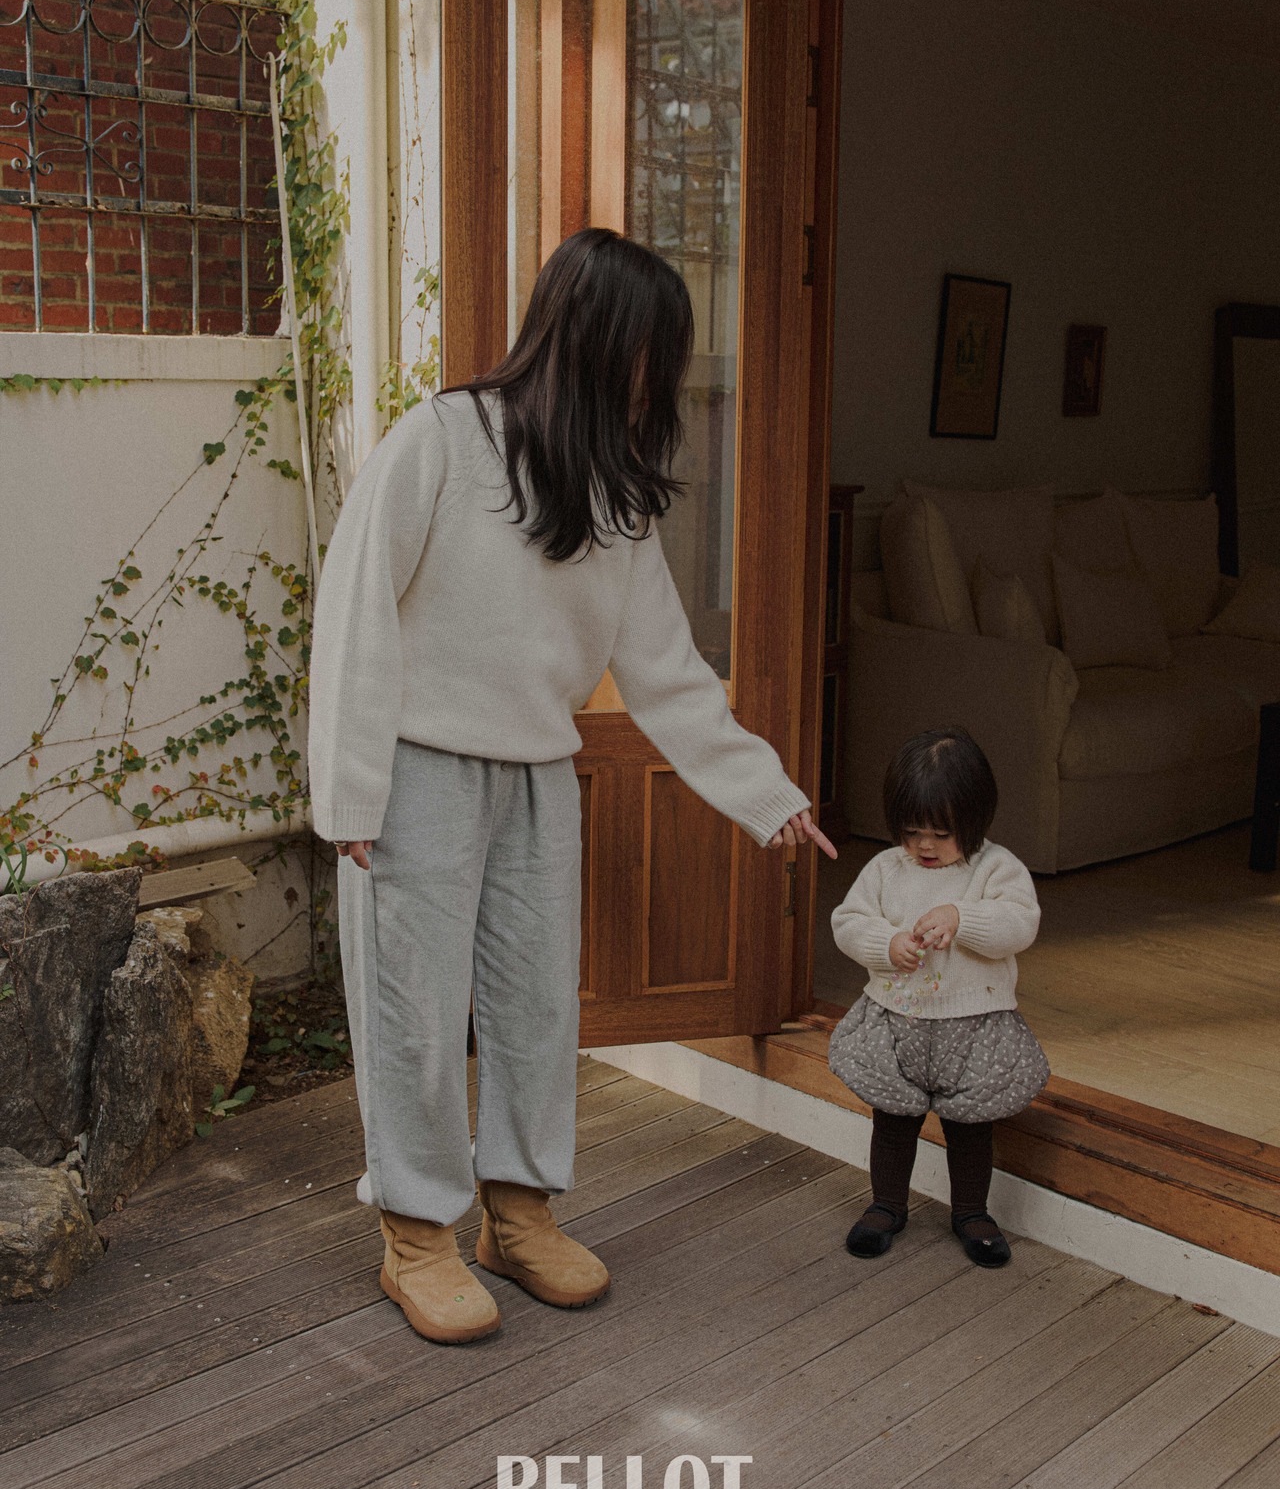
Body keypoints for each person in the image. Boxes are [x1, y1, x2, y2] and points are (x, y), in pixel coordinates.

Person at [308, 227, 836, 1346]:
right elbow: (355, 614)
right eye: (650, 350)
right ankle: (417, 1233)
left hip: (542, 779)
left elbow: (667, 672)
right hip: (417, 773)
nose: (660, 377)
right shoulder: (440, 440)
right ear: (592, 335)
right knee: (412, 1010)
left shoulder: (616, 497)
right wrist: (349, 793)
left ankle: (519, 1213)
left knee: (537, 1006)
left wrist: (765, 793)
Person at [827, 727, 1048, 1268]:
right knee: (892, 1122)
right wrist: (886, 944)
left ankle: (972, 1213)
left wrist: (961, 917)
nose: (925, 846)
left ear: (976, 820)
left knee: (971, 1128)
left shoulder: (995, 869)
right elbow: (848, 922)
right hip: (896, 1022)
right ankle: (886, 1205)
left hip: (975, 1028)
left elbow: (1020, 924)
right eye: (912, 832)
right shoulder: (885, 869)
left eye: (941, 834)